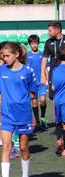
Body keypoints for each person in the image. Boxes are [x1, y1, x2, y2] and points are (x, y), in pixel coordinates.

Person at [0, 42, 37, 177]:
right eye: (3, 56)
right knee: (6, 147)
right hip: (6, 115)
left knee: (24, 148)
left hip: (23, 115)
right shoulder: (1, 71)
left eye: (7, 56)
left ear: (17, 54)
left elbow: (32, 93)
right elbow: (0, 95)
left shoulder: (28, 71)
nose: (4, 58)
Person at [41, 21, 65, 155]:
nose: (48, 32)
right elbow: (44, 58)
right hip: (54, 76)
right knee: (57, 104)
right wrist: (42, 75)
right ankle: (59, 140)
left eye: (49, 30)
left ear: (57, 30)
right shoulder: (49, 42)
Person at [27, 35, 48, 130]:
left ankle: (43, 117)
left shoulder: (42, 54)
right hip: (32, 83)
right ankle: (37, 121)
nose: (34, 45)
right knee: (34, 102)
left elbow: (46, 68)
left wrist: (47, 79)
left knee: (43, 100)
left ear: (38, 43)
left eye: (35, 43)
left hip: (42, 81)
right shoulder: (27, 55)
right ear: (30, 44)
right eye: (32, 43)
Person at [51, 46, 65, 157]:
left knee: (58, 122)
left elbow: (53, 88)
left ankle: (59, 142)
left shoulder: (55, 69)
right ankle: (64, 149)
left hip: (58, 100)